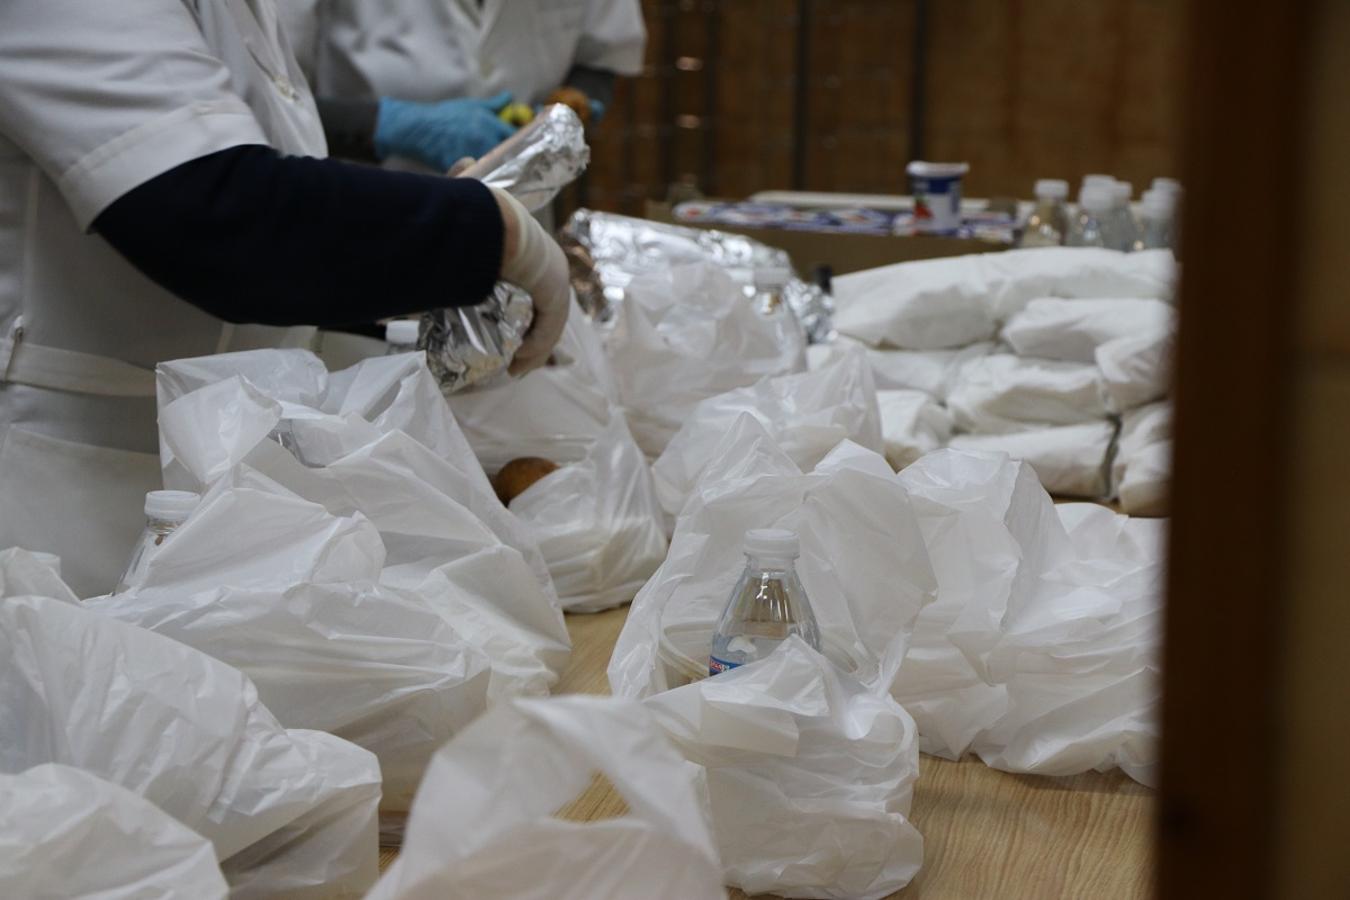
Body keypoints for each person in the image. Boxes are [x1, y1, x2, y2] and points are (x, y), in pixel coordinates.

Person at [0, 0, 571, 597]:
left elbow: (277, 217)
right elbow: (222, 219)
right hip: (73, 496)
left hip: (213, 474)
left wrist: (410, 292)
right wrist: (487, 230)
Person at [279, 0, 646, 173]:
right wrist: (383, 126)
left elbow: (602, 54)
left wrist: (574, 107)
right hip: (360, 208)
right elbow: (268, 98)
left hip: (519, 232)